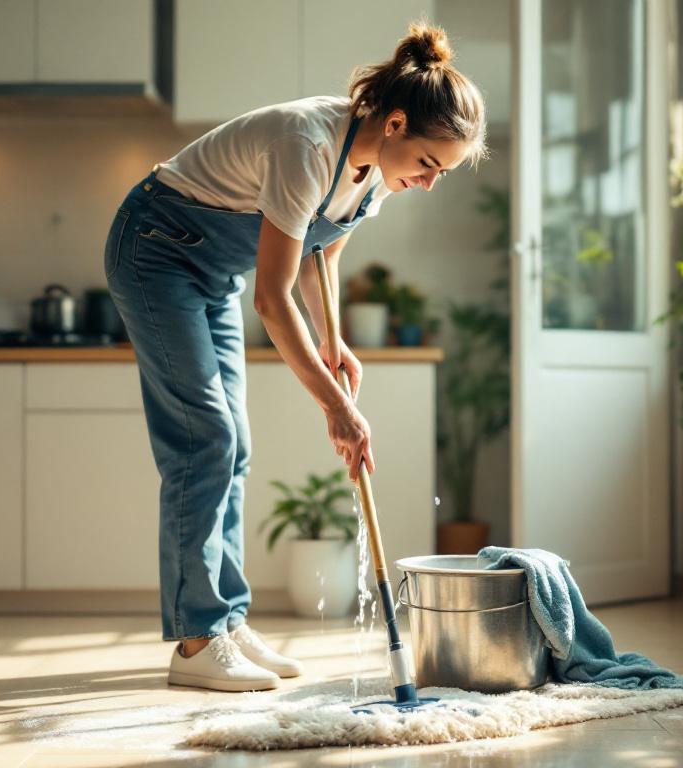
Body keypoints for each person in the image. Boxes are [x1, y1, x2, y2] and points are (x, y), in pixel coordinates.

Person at [103, 21, 487, 693]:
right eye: (430, 164)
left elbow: (321, 256)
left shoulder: (377, 176)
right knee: (205, 439)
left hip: (209, 275)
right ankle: (196, 642)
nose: (430, 182)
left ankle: (224, 619)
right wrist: (336, 407)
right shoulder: (308, 144)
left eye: (442, 174)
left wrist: (334, 341)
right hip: (156, 251)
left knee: (234, 444)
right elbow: (273, 301)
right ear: (395, 123)